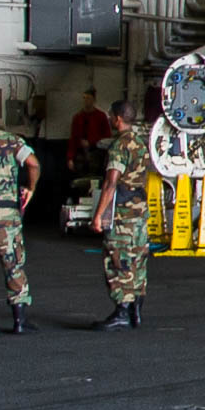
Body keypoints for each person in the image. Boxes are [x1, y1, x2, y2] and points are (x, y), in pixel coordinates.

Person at [90, 100, 151, 331]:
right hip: (140, 212)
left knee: (118, 259)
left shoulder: (119, 146)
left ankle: (122, 312)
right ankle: (136, 310)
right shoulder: (140, 143)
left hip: (123, 214)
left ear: (117, 118)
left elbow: (111, 183)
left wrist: (98, 216)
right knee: (138, 259)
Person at [0, 100, 40, 334]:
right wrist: (30, 188)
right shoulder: (11, 139)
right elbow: (33, 164)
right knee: (13, 261)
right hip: (7, 212)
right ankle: (19, 319)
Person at [67, 88, 111, 176]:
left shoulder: (101, 116)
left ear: (94, 100)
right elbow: (73, 139)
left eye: (88, 98)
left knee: (95, 178)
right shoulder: (78, 117)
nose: (86, 101)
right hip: (80, 154)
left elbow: (107, 136)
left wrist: (91, 142)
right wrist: (70, 158)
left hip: (96, 153)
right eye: (84, 98)